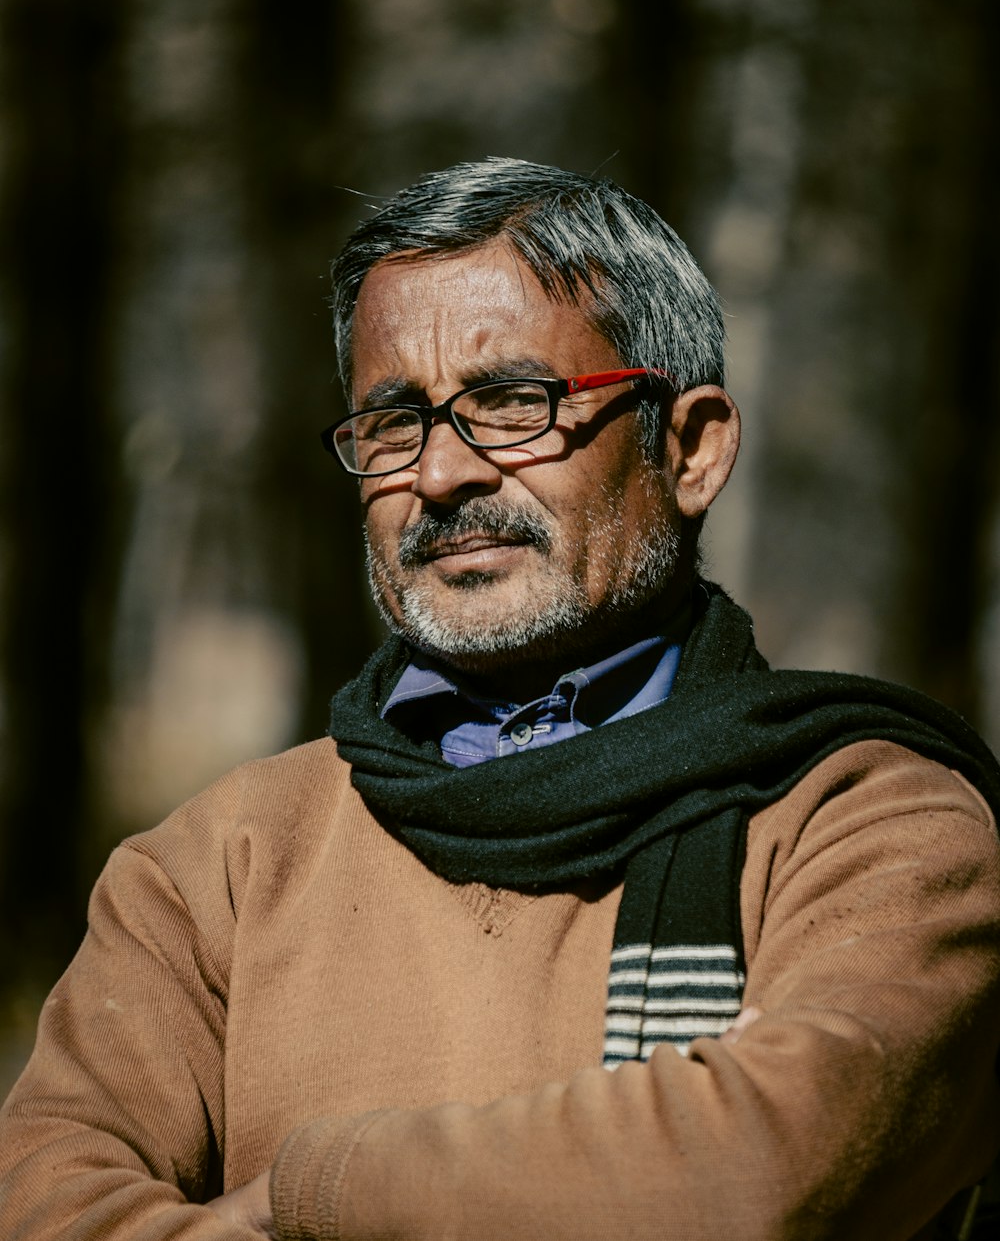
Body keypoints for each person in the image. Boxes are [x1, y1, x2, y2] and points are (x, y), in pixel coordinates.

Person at [2, 158, 999, 1241]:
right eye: (393, 420)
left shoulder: (873, 826)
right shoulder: (214, 868)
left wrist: (317, 1192)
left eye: (511, 403)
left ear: (692, 447)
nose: (440, 476)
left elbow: (760, 1170)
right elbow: (50, 1208)